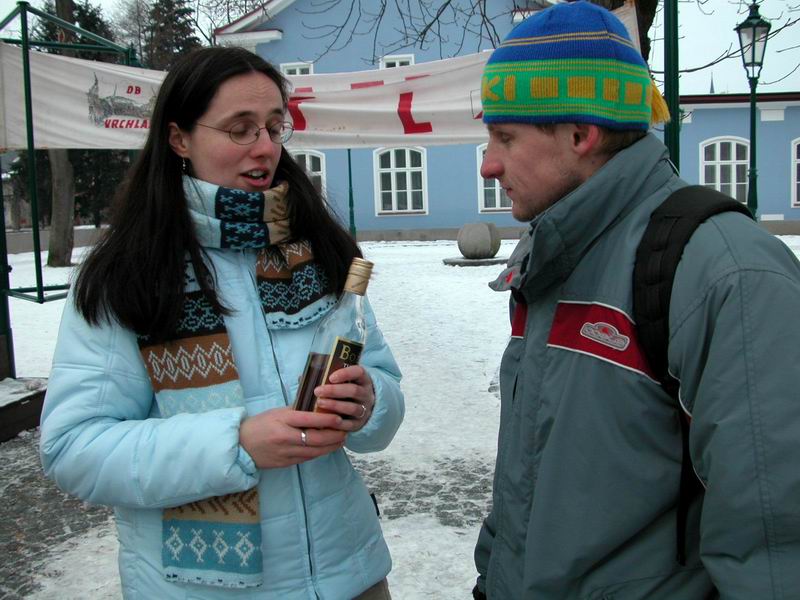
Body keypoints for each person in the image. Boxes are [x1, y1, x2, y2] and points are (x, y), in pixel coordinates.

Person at [39, 46, 404, 600]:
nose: (266, 147)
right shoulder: (129, 273)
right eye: (240, 129)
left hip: (349, 574)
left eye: (274, 127)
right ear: (179, 138)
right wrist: (235, 443)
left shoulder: (317, 251)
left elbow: (382, 384)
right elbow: (74, 448)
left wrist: (369, 401)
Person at [472, 2, 800, 599]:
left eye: (505, 137)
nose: (489, 164)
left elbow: (774, 548)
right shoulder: (551, 256)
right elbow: (527, 478)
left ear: (581, 135)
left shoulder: (725, 273)